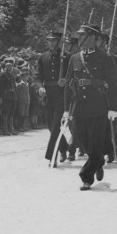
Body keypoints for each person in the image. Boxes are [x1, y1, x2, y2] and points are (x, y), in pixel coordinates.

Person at [62, 23, 117, 190]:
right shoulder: (74, 58)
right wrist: (66, 109)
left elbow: (114, 83)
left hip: (98, 107)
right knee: (83, 141)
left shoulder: (105, 58)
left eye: (83, 36)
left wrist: (113, 107)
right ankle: (98, 161)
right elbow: (68, 86)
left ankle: (86, 177)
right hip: (79, 107)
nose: (79, 38)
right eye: (79, 35)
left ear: (94, 38)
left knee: (95, 143)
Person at [35, 31, 70, 161]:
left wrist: (66, 80)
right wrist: (40, 88)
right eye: (49, 40)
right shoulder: (43, 57)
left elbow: (73, 76)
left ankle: (52, 155)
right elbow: (37, 77)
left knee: (55, 125)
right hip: (48, 95)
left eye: (54, 40)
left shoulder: (67, 57)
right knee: (50, 126)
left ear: (59, 42)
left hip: (62, 95)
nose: (51, 43)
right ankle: (64, 147)